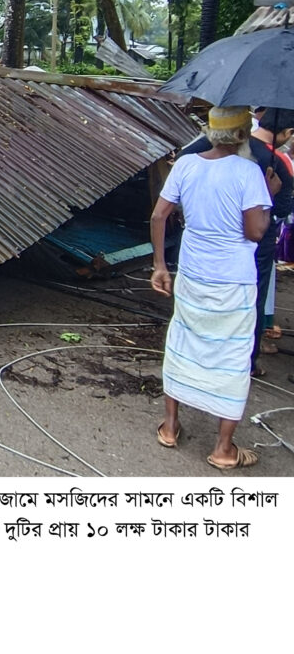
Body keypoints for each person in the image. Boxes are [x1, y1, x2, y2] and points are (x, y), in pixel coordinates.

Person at [150, 106, 279, 470]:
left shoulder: (188, 164)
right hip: (233, 280)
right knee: (233, 354)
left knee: (183, 341)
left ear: (210, 131)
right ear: (242, 136)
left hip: (192, 272)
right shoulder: (249, 172)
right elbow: (255, 231)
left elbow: (159, 215)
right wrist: (267, 196)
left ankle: (171, 427)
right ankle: (223, 448)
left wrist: (160, 265)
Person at [183, 107, 294, 376]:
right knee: (249, 303)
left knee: (203, 299)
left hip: (204, 242)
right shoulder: (274, 162)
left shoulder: (198, 151)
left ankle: (197, 356)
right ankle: (245, 361)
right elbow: (275, 214)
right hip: (253, 246)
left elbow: (165, 209)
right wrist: (269, 193)